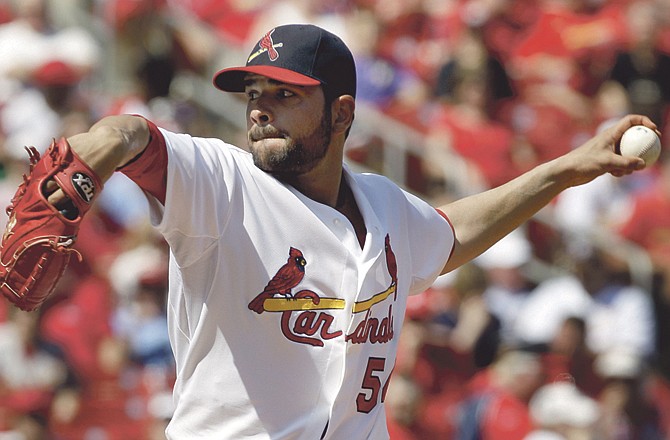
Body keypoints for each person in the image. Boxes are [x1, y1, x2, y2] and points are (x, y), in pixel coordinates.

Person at [36, 23, 657, 439]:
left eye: (285, 95)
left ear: (343, 114)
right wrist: (100, 149)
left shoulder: (384, 206)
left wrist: (567, 170)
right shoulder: (223, 186)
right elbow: (134, 136)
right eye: (254, 92)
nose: (259, 108)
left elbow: (450, 235)